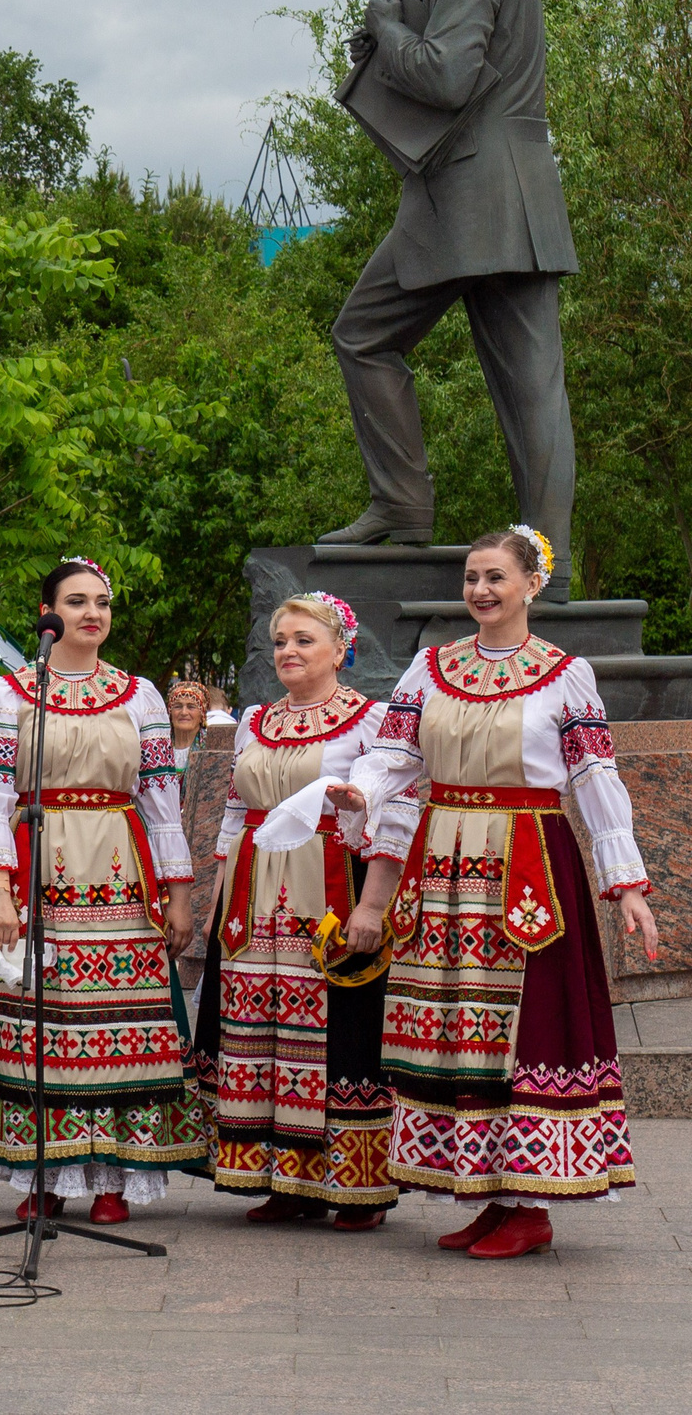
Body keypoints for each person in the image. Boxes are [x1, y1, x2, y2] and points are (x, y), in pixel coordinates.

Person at [337, 526, 657, 1257]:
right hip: (445, 856)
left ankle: (530, 1206)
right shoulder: (430, 668)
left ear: (531, 585)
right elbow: (393, 753)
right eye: (471, 578)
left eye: (495, 578)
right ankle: (485, 1191)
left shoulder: (566, 675)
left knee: (523, 1025)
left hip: (526, 860)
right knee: (457, 1023)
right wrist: (361, 792)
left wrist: (626, 883)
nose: (480, 591)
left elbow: (595, 778)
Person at [320, 0, 580, 596]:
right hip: (513, 192)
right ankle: (550, 570)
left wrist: (389, 29)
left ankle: (403, 504)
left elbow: (446, 78)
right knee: (533, 391)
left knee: (364, 334)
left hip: (470, 192)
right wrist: (403, 33)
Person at [0, 556, 203, 1223]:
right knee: (39, 1016)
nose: (92, 613)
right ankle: (43, 1172)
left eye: (101, 602)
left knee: (119, 1019)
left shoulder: (139, 695)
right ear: (47, 613)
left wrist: (178, 894)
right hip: (37, 862)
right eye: (76, 601)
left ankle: (114, 1175)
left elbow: (162, 800)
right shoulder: (10, 693)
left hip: (118, 866)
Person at [190, 592, 395, 1229]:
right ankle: (285, 1177)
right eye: (280, 641)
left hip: (328, 881)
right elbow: (232, 815)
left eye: (305, 640)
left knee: (336, 1027)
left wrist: (371, 905)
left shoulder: (371, 720)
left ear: (340, 649)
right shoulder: (254, 720)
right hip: (254, 890)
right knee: (260, 1025)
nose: (288, 651)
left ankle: (356, 1186)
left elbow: (393, 814)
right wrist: (214, 905)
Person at [167, 679, 209, 755]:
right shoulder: (160, 747)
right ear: (170, 713)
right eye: (178, 706)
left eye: (191, 707)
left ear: (202, 715)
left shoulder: (212, 745)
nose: (184, 712)